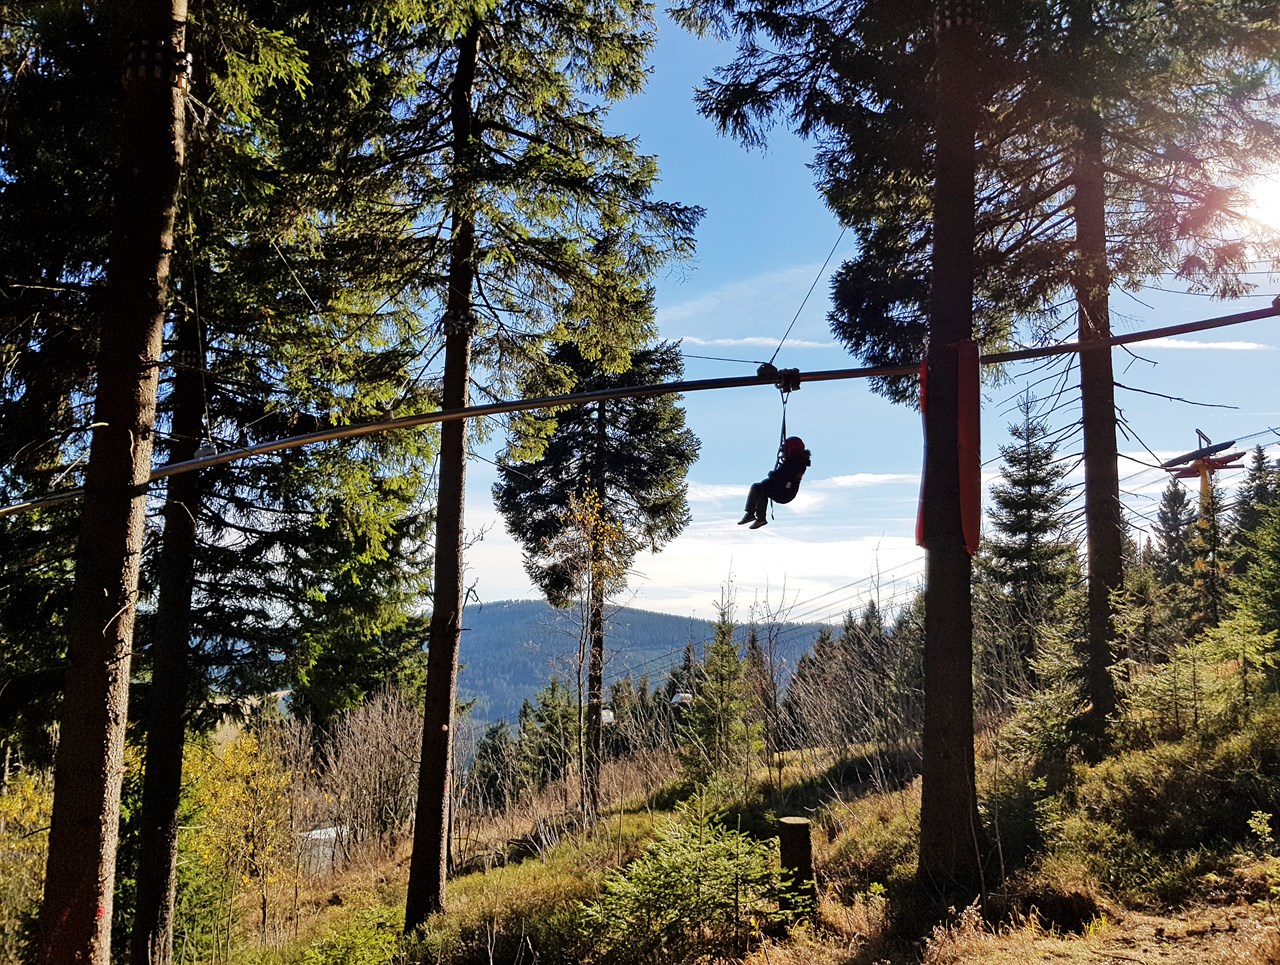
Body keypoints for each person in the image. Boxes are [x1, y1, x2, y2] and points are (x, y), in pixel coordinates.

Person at [739, 436, 811, 529]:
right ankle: (759, 518)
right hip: (785, 491)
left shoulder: (795, 464)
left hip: (785, 492)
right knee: (761, 490)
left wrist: (772, 474)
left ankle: (752, 515)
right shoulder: (795, 462)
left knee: (757, 487)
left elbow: (782, 476)